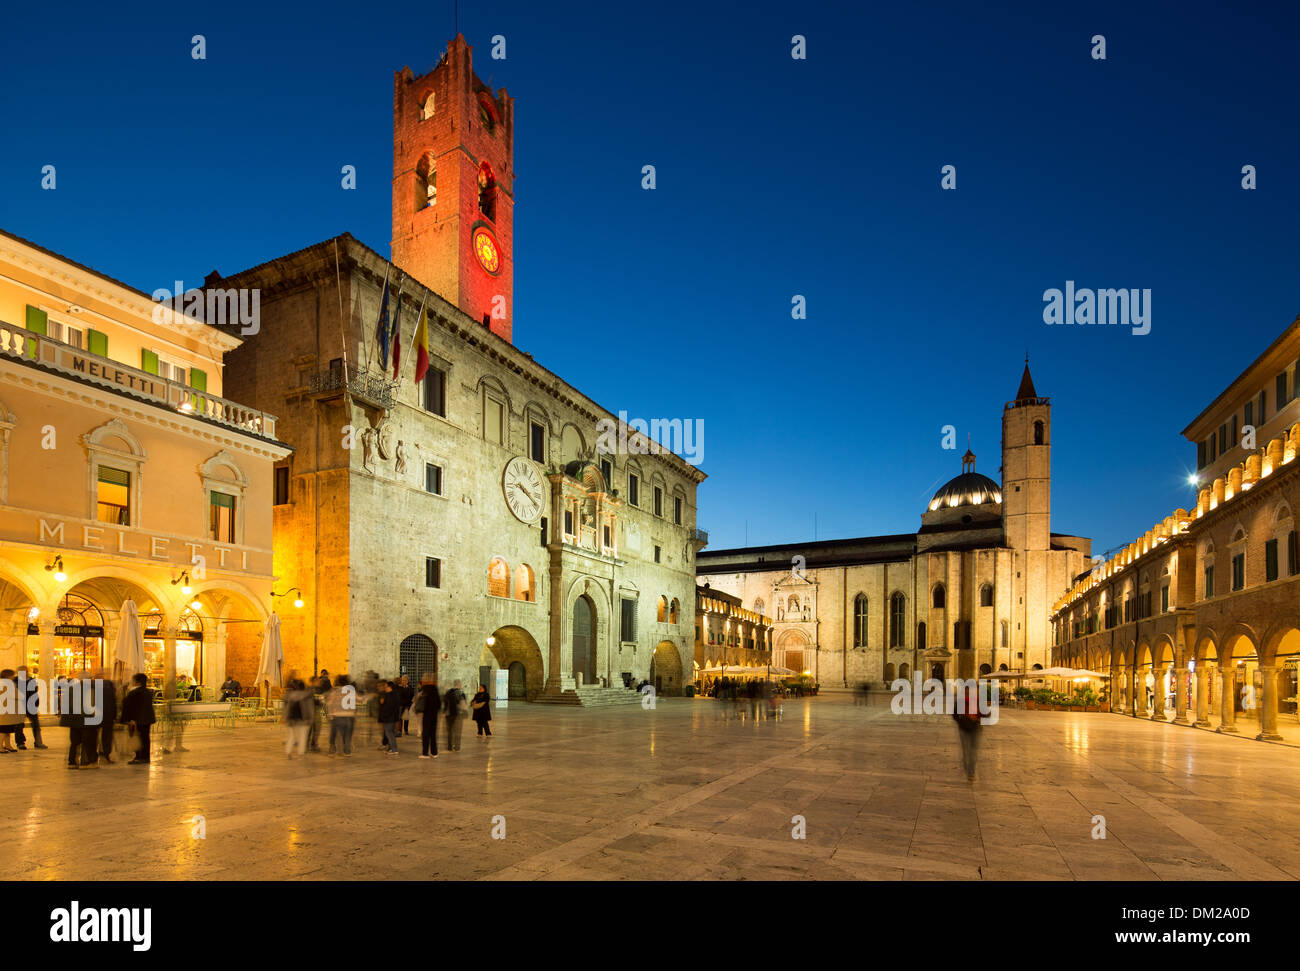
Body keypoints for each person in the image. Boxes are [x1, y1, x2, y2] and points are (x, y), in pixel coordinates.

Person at [952, 680, 984, 782]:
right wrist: (962, 721)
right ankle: (968, 770)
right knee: (966, 752)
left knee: (973, 751)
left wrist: (979, 718)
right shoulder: (961, 701)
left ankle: (971, 773)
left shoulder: (979, 701)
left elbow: (987, 714)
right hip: (964, 728)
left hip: (976, 728)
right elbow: (954, 714)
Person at [121, 673, 156, 764]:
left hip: (138, 719)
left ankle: (139, 757)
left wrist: (131, 719)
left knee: (138, 738)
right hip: (147, 718)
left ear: (137, 682)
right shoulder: (148, 691)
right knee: (145, 738)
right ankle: (145, 757)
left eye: (133, 680)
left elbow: (128, 705)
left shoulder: (135, 692)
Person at [14, 665, 46, 750]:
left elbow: (35, 692)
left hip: (31, 705)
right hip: (20, 705)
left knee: (36, 725)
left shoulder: (32, 680)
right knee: (19, 725)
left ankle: (38, 742)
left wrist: (36, 703)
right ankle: (20, 743)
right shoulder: (15, 680)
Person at [324, 674, 356, 756]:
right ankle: (347, 751)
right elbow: (355, 701)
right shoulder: (351, 691)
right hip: (349, 716)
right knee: (347, 734)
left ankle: (332, 750)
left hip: (337, 715)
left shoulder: (334, 691)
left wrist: (330, 715)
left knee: (333, 734)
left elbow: (329, 703)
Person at [283, 676, 314, 759]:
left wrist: (285, 718)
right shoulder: (306, 695)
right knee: (302, 737)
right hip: (303, 719)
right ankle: (300, 753)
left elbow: (287, 708)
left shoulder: (290, 695)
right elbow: (309, 708)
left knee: (292, 736)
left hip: (291, 719)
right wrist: (311, 718)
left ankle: (288, 752)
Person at [95, 668, 117, 764]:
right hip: (96, 714)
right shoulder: (93, 685)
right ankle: (96, 754)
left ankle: (106, 754)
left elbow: (113, 700)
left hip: (107, 714)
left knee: (107, 736)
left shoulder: (109, 684)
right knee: (94, 735)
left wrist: (114, 714)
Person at [417, 676, 441, 759]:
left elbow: (422, 703)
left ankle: (425, 753)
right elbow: (439, 704)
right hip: (434, 715)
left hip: (427, 715)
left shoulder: (425, 690)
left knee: (426, 734)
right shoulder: (435, 690)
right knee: (433, 734)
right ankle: (434, 753)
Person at [377, 679, 401, 755]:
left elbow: (388, 708)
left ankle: (394, 749)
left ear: (389, 687)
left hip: (389, 718)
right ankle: (390, 748)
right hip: (393, 717)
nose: (385, 688)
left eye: (386, 686)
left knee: (389, 734)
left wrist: (382, 705)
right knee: (390, 733)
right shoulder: (395, 694)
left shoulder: (389, 695)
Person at [0, 670, 22, 752]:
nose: (14, 677)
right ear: (8, 676)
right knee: (3, 730)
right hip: (6, 711)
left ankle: (8, 745)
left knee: (8, 730)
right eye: (12, 675)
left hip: (7, 710)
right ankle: (0, 747)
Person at [444, 679, 467, 752]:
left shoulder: (448, 692)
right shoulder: (460, 693)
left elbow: (444, 703)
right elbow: (463, 704)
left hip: (448, 714)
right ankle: (457, 747)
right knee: (457, 731)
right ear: (459, 685)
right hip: (457, 714)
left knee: (450, 731)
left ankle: (449, 746)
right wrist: (465, 712)